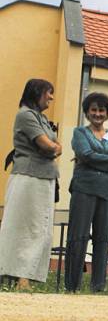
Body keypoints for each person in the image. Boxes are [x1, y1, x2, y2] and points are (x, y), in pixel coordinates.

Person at [0, 79, 62, 290]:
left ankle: (24, 277)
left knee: (38, 228)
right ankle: (19, 277)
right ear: (37, 93)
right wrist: (53, 147)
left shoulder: (41, 118)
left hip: (43, 177)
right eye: (48, 93)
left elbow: (56, 145)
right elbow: (47, 145)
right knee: (23, 227)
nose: (51, 98)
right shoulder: (25, 115)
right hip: (29, 177)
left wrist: (54, 146)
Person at [64, 92, 108, 293]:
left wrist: (102, 159)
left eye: (102, 110)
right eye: (93, 109)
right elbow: (85, 154)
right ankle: (72, 285)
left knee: (103, 238)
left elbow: (97, 156)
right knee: (78, 237)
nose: (97, 114)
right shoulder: (79, 133)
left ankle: (98, 286)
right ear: (87, 112)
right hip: (84, 188)